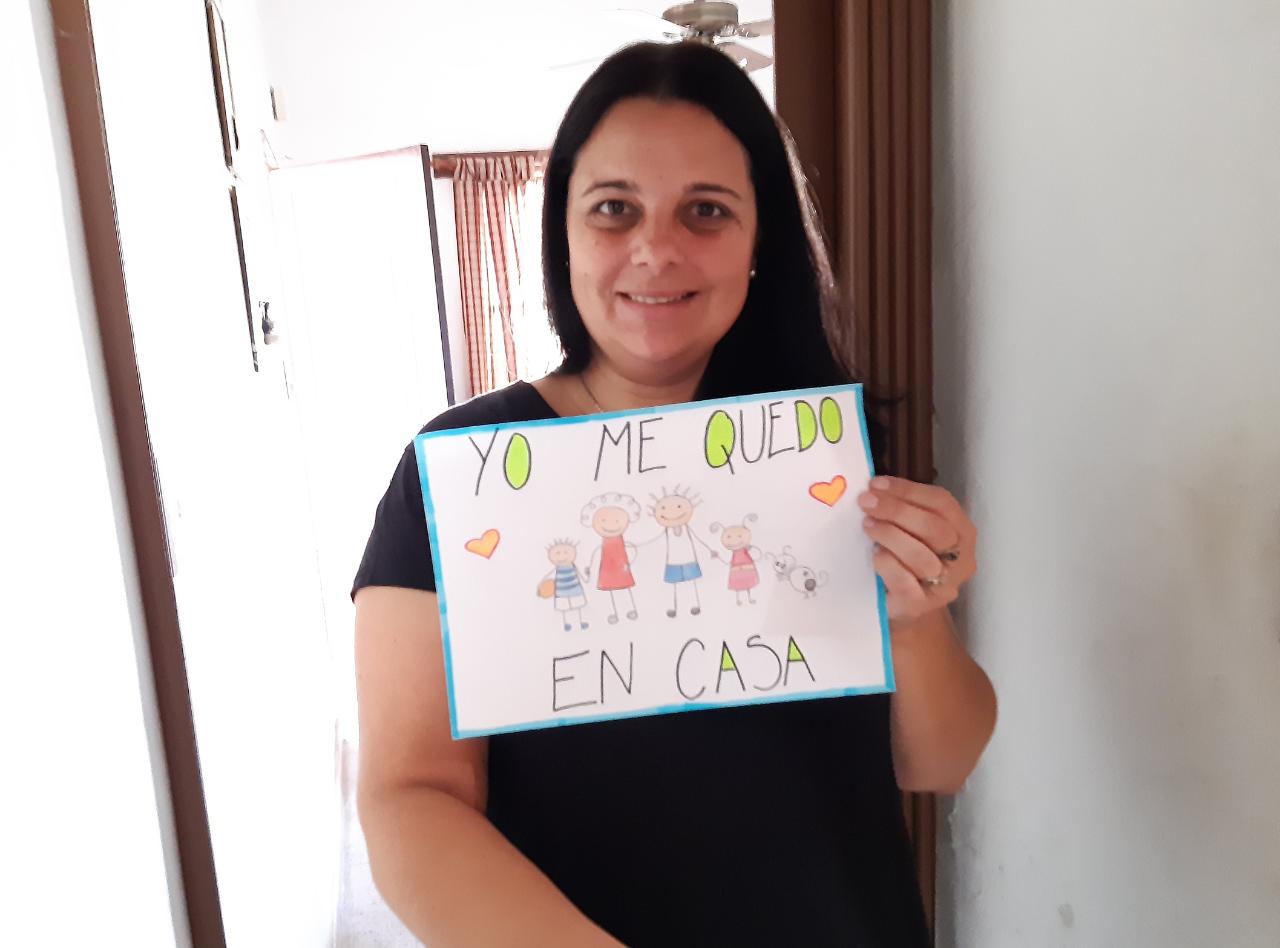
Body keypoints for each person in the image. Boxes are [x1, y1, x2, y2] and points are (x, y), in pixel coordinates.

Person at [352, 41, 996, 947]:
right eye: (614, 209)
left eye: (707, 210)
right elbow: (408, 798)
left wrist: (918, 619)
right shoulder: (456, 474)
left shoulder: (822, 461)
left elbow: (943, 760)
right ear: (564, 233)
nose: (656, 249)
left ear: (760, 240)